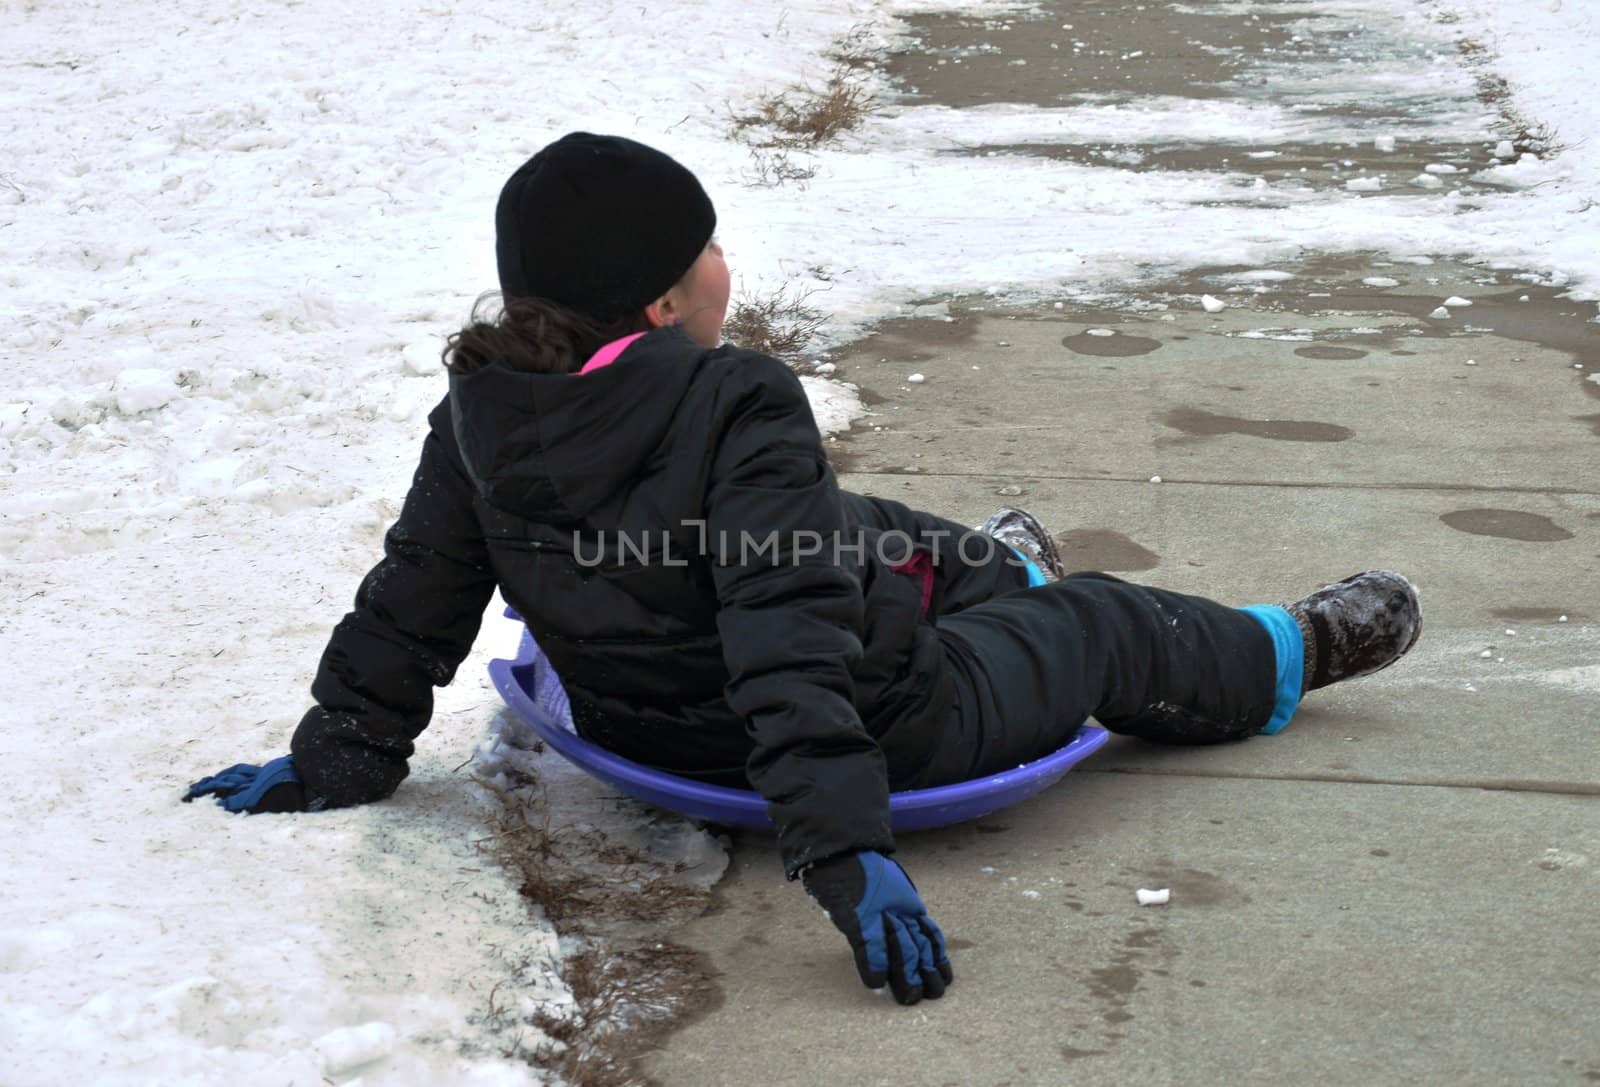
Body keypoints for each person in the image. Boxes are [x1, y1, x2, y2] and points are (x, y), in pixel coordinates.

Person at [186, 132, 1423, 1007]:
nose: (725, 258)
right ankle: (1283, 650)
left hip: (639, 725)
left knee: (862, 523)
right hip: (888, 722)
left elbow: (420, 591)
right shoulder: (740, 401)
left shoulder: (485, 412)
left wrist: (339, 749)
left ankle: (994, 569)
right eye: (707, 245)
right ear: (661, 304)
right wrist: (840, 847)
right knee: (1099, 621)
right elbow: (781, 629)